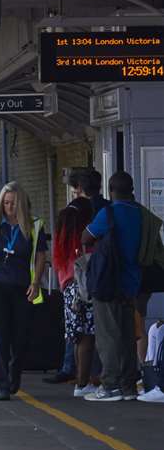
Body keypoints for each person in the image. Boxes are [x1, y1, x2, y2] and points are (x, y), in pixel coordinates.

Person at [0, 181, 49, 400]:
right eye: (6, 203)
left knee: (20, 337)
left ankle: (14, 373)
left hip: (22, 286)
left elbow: (40, 255)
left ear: (22, 204)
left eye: (13, 203)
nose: (9, 207)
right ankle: (2, 384)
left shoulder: (34, 225)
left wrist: (36, 283)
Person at [83, 171, 151, 401]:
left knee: (108, 336)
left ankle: (110, 385)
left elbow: (86, 237)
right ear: (131, 189)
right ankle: (129, 385)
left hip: (108, 281)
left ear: (111, 191)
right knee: (128, 335)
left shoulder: (109, 212)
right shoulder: (141, 214)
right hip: (132, 282)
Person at [51, 168, 105, 396]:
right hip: (90, 277)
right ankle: (87, 381)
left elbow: (58, 253)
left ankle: (80, 381)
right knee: (92, 334)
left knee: (77, 335)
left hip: (69, 279)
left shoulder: (66, 214)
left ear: (79, 189)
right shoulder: (99, 211)